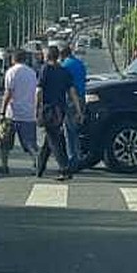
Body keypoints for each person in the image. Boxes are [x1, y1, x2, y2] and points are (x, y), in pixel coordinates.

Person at [35, 46, 83, 180]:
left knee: (53, 139)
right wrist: (78, 110)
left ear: (47, 56)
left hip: (48, 108)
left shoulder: (45, 69)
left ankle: (65, 168)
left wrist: (37, 107)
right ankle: (40, 167)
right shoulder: (64, 72)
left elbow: (39, 91)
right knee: (50, 138)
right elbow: (72, 92)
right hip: (60, 109)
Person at [0, 49, 39, 175]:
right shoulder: (32, 73)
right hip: (29, 113)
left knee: (5, 141)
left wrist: (2, 111)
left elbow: (8, 92)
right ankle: (37, 163)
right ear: (24, 59)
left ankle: (4, 165)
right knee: (30, 143)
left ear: (13, 59)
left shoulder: (11, 72)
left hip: (12, 114)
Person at [57, 42, 88, 171]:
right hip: (81, 98)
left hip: (70, 99)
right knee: (76, 129)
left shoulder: (64, 66)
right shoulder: (80, 64)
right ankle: (78, 156)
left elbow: (63, 85)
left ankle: (73, 159)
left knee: (70, 131)